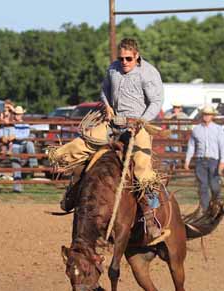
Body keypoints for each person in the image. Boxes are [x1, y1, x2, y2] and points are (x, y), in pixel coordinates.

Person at [50, 37, 166, 242]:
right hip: (113, 122)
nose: (124, 62)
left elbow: (156, 101)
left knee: (142, 167)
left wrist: (142, 120)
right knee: (82, 144)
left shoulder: (148, 73)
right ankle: (70, 188)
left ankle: (151, 217)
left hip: (137, 125)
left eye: (128, 58)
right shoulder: (113, 70)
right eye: (121, 58)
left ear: (136, 56)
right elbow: (104, 90)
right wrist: (107, 106)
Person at [184, 105, 224, 211]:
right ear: (202, 115)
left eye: (209, 114)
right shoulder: (196, 130)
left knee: (214, 186)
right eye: (205, 114)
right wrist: (187, 159)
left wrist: (223, 161)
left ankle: (215, 202)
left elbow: (223, 146)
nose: (207, 116)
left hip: (214, 160)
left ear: (212, 116)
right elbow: (191, 145)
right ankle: (205, 209)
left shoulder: (218, 129)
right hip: (200, 160)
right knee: (203, 186)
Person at [0, 105, 38, 193]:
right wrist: (2, 137)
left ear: (22, 115)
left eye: (19, 114)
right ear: (14, 114)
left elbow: (25, 135)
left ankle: (33, 163)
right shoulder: (10, 123)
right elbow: (1, 131)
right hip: (14, 146)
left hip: (23, 144)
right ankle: (17, 188)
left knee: (29, 143)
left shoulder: (25, 124)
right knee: (16, 166)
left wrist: (15, 137)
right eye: (16, 114)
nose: (17, 116)